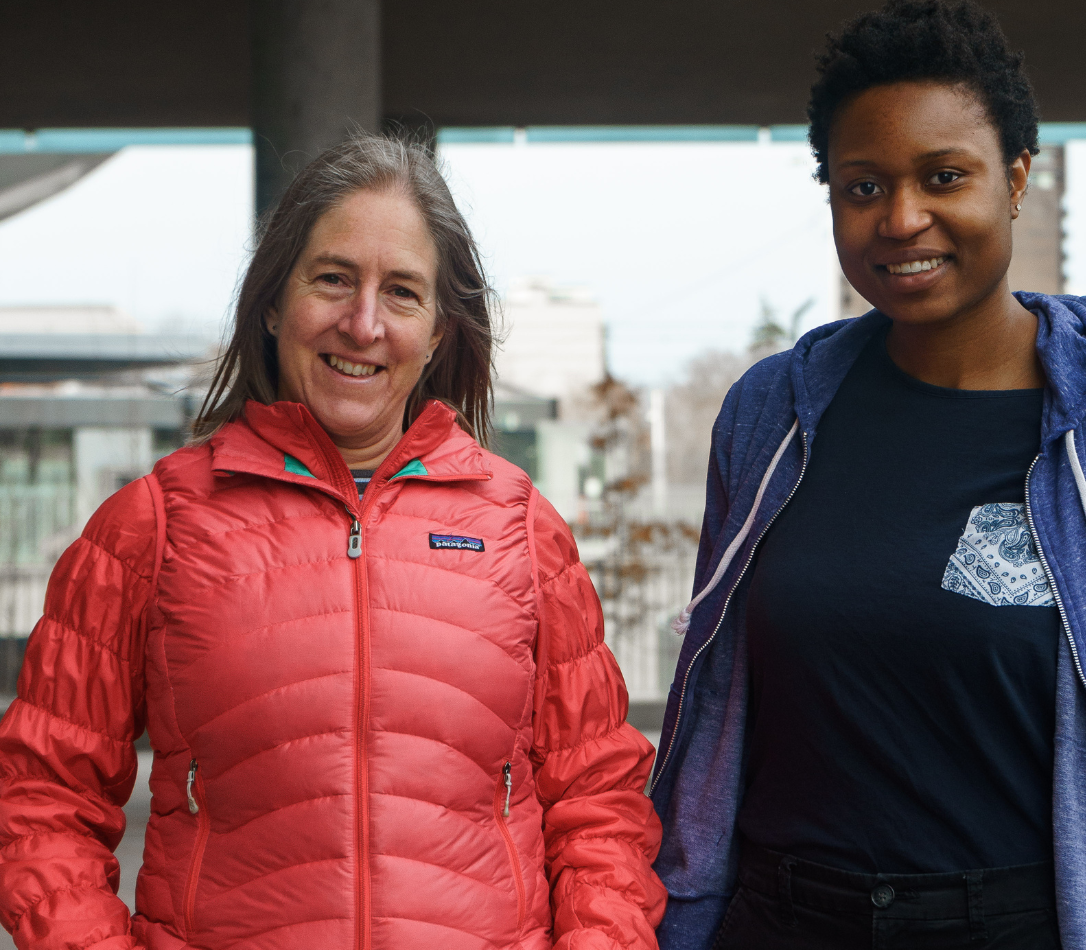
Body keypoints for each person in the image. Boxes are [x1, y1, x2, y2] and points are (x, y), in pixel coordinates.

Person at [649, 2, 1086, 949]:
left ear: (1014, 178)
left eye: (944, 177)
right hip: (778, 919)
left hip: (1014, 924)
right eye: (862, 187)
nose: (901, 219)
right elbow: (721, 712)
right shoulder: (769, 414)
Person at [0, 134, 666, 950]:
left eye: (403, 293)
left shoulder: (522, 531)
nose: (363, 324)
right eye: (333, 280)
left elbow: (599, 807)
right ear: (274, 302)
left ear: (438, 333)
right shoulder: (151, 526)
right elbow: (41, 798)